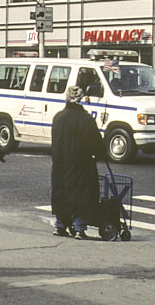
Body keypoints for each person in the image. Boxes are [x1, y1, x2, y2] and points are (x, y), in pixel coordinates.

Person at [51, 85, 106, 240]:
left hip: (61, 164)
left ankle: (60, 225)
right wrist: (99, 154)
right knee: (83, 194)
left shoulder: (59, 117)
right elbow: (96, 143)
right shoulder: (86, 119)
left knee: (63, 192)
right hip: (82, 163)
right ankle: (79, 227)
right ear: (81, 98)